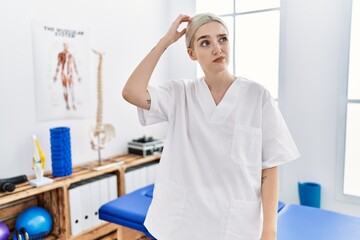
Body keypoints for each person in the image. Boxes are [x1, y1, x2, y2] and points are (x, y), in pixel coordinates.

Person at [123, 13, 300, 240]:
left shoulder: (258, 96)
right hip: (181, 224)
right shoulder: (180, 94)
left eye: (223, 39)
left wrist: (269, 230)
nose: (217, 48)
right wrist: (165, 41)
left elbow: (269, 167)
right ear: (192, 54)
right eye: (205, 42)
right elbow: (131, 92)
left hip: (234, 226)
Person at [53, 42, 81, 110]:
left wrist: (78, 76)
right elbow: (58, 65)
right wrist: (55, 75)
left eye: (67, 46)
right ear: (63, 46)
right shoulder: (60, 54)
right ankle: (67, 104)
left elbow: (74, 65)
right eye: (65, 46)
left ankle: (73, 104)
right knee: (65, 90)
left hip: (70, 74)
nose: (66, 47)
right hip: (63, 74)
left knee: (71, 89)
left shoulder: (71, 55)